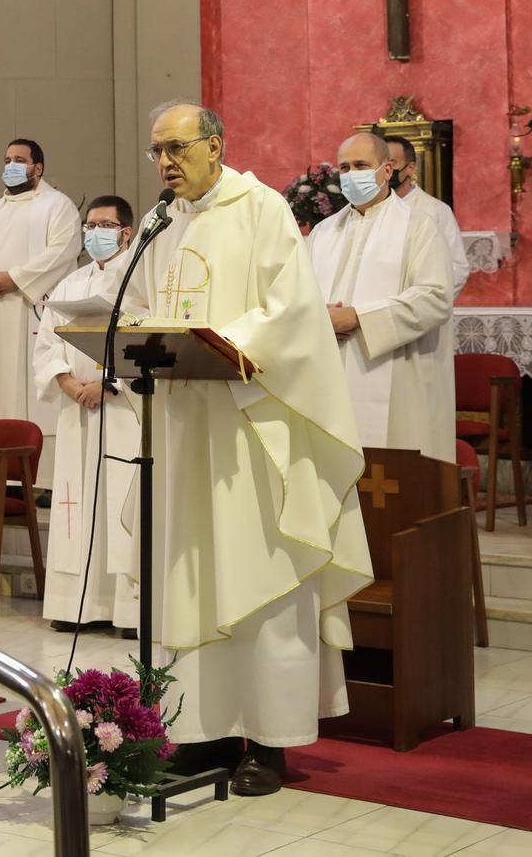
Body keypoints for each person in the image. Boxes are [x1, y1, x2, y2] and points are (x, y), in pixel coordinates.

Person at [122, 102, 370, 797]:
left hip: (251, 428)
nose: (165, 162)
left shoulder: (260, 208)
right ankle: (202, 733)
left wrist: (229, 344)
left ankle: (269, 740)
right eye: (157, 151)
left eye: (176, 148)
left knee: (260, 575)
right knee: (194, 574)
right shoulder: (160, 222)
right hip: (184, 428)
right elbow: (139, 306)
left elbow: (291, 309)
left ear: (216, 145)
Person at [32, 196, 142, 632]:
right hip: (76, 408)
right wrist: (67, 381)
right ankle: (76, 606)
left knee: (119, 501)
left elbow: (146, 337)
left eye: (103, 225)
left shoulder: (140, 282)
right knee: (76, 503)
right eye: (89, 225)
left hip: (121, 411)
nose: (93, 232)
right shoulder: (69, 284)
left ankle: (125, 610)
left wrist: (110, 383)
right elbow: (46, 343)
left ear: (126, 232)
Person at [311, 133, 457, 461]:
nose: (351, 175)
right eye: (344, 167)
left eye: (361, 165)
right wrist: (317, 315)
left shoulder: (420, 227)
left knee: (393, 485)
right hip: (331, 376)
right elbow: (301, 295)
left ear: (387, 170)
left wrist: (358, 317)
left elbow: (434, 298)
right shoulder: (323, 233)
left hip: (399, 380)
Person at [0, 139, 79, 478]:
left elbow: (62, 251)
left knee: (36, 395)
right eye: (7, 159)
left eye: (19, 160)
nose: (10, 165)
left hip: (32, 311)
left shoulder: (58, 206)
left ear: (37, 168)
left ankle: (41, 479)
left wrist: (15, 279)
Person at [386, 135, 471, 298]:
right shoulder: (366, 210)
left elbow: (456, 268)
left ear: (410, 168)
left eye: (392, 163)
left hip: (416, 313)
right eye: (381, 163)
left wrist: (418, 303)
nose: (387, 169)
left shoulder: (435, 211)